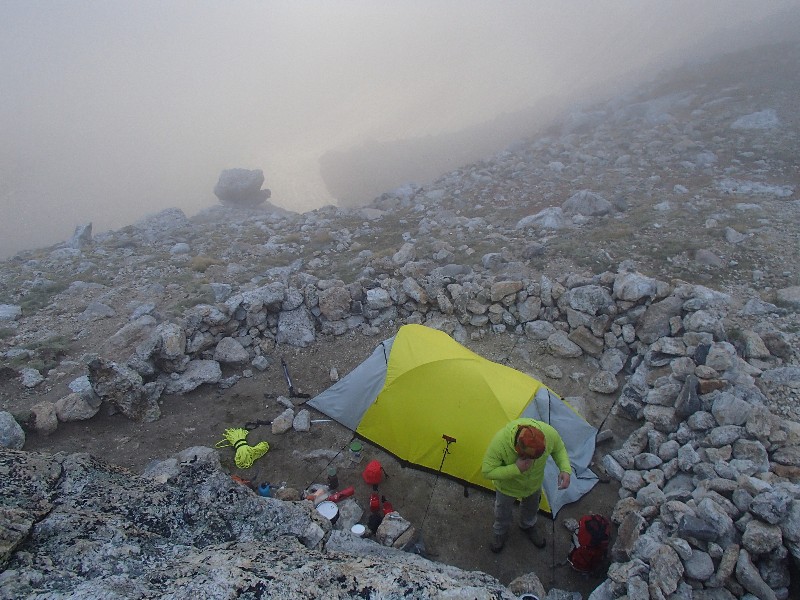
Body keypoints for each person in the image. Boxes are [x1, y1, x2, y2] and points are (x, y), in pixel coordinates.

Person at [481, 418, 571, 553]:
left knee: (531, 508)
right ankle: (500, 532)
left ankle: (527, 525)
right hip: (507, 489)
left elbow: (559, 448)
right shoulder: (500, 442)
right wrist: (516, 469)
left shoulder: (548, 433)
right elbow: (487, 471)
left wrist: (565, 469)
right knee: (502, 513)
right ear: (518, 450)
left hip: (534, 486)